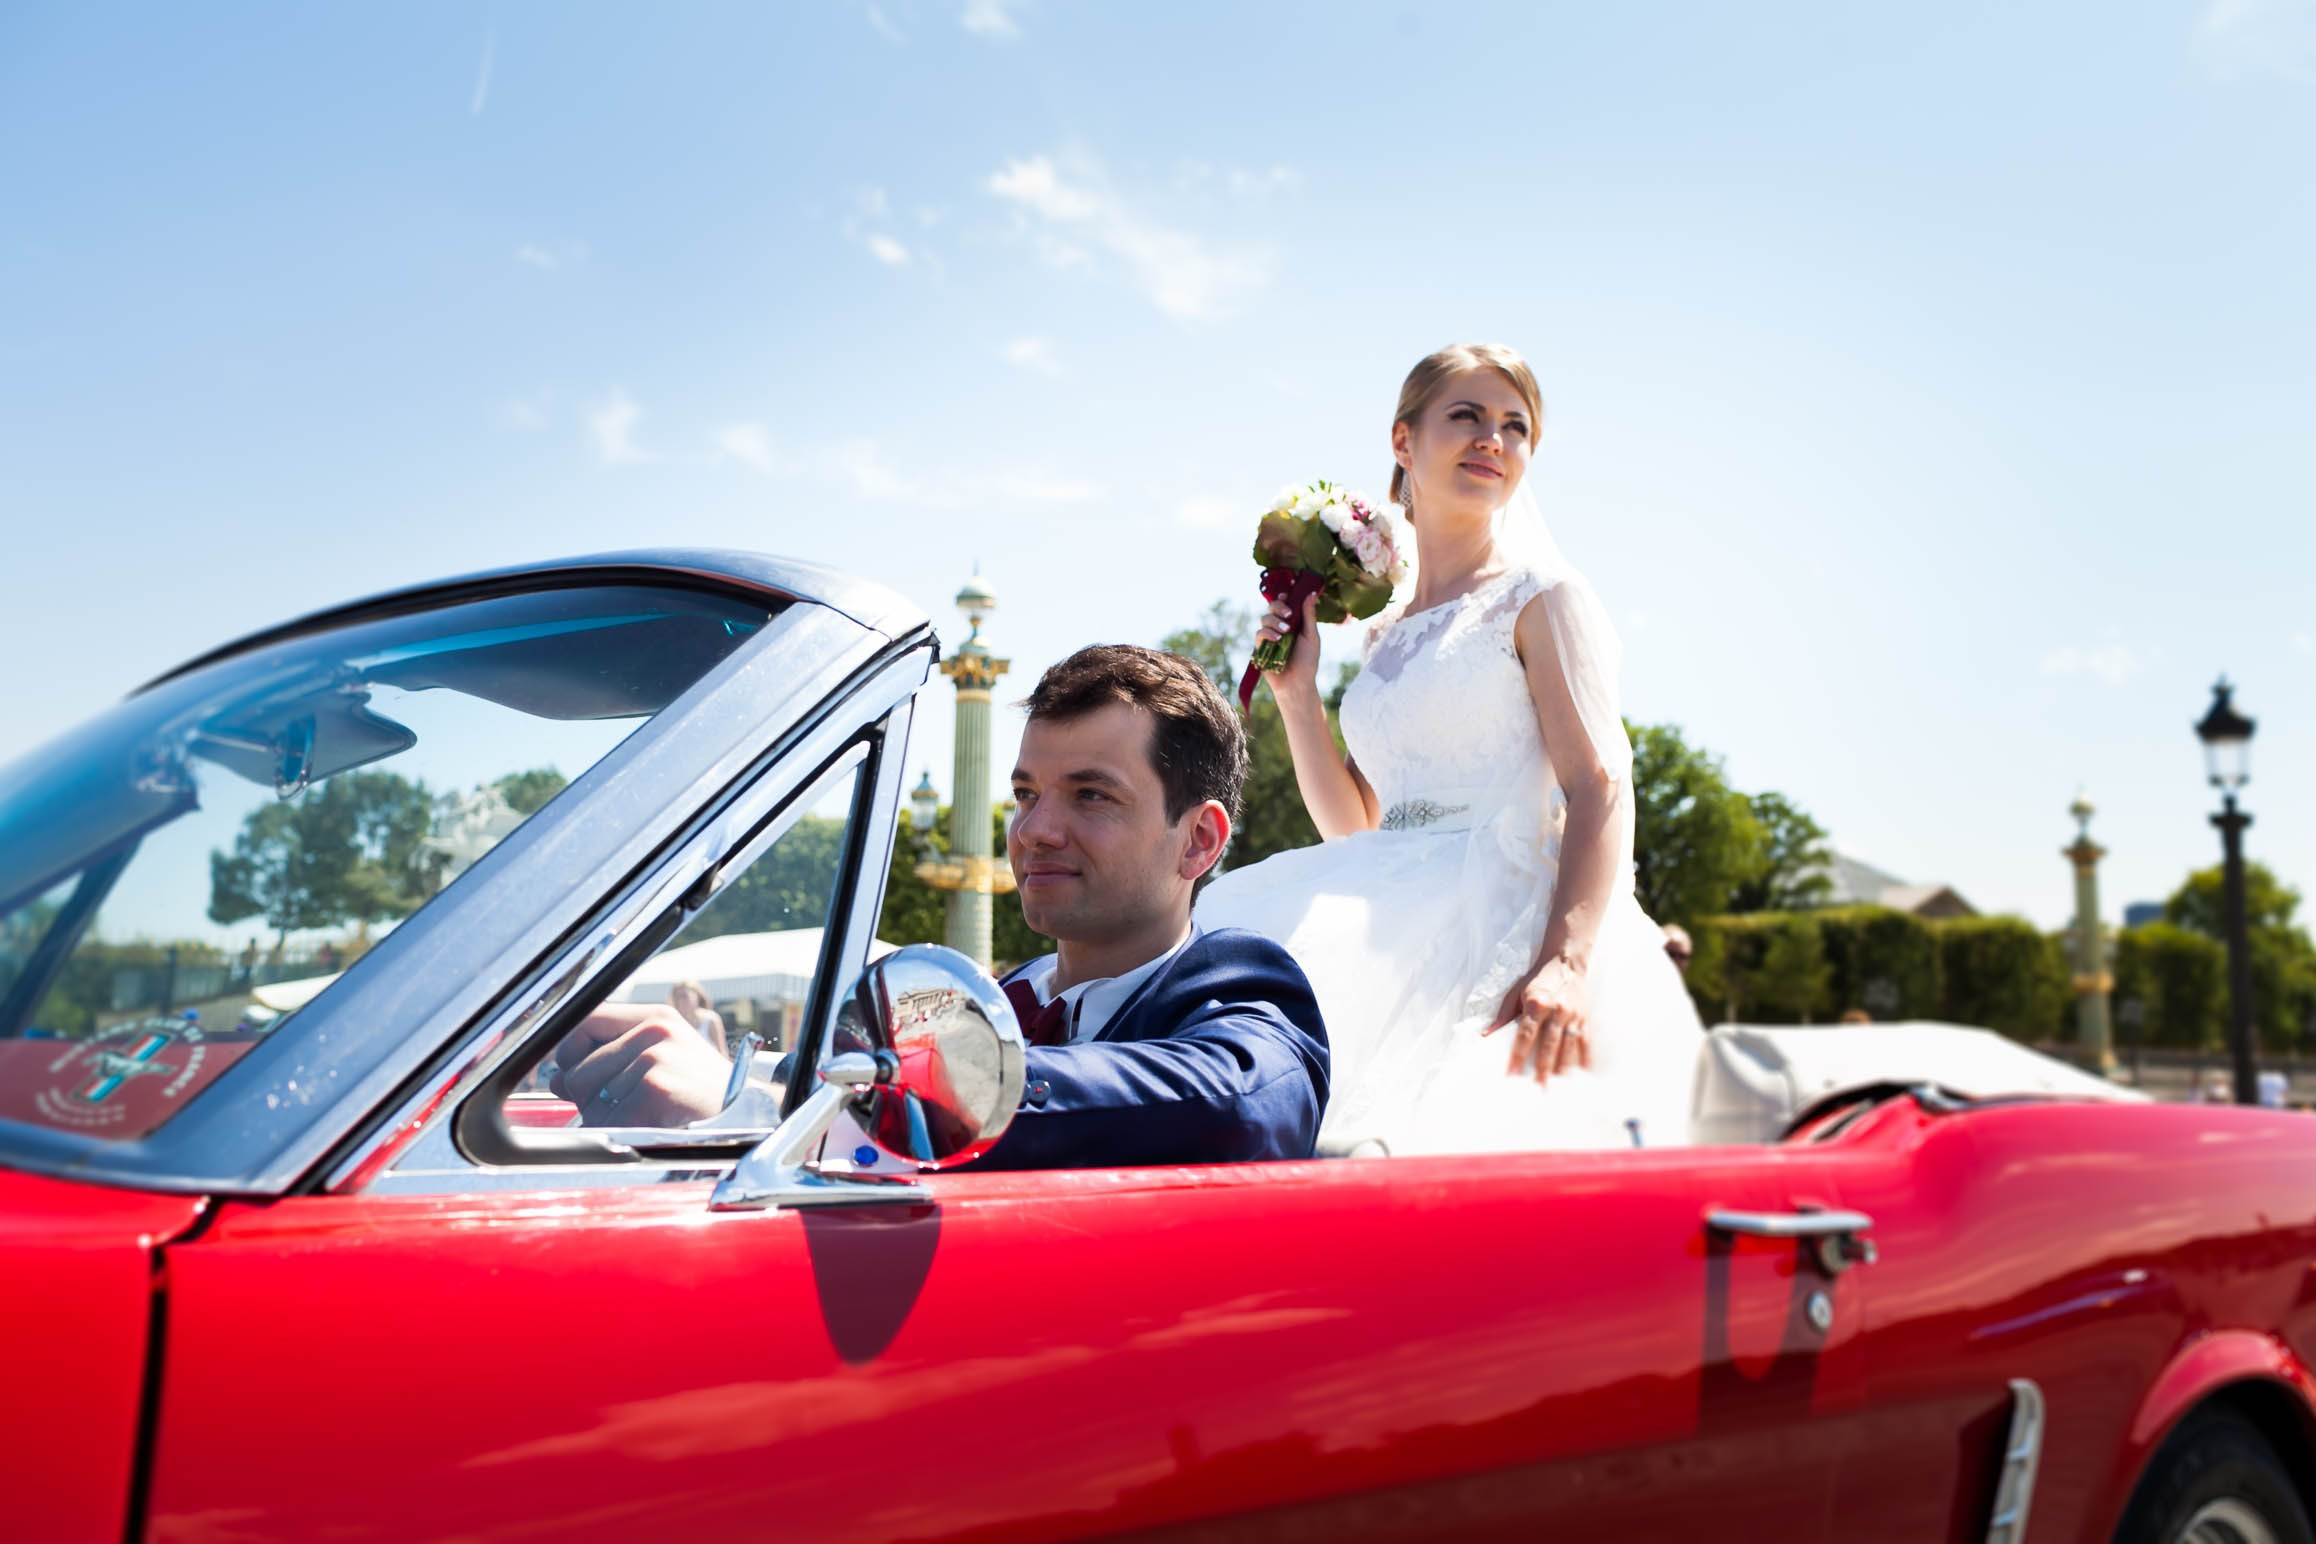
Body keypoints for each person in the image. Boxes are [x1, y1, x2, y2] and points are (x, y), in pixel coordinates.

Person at [545, 645, 1330, 1169]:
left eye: (1091, 795)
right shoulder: (991, 1002)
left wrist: (752, 1100)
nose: (1033, 830)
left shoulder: (1241, 992)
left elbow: (1236, 1107)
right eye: (1026, 792)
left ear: (1198, 842)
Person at [1197, 341, 1700, 1155]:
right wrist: (1297, 698)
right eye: (1465, 416)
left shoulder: (1543, 600)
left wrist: (1564, 962)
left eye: (1514, 426)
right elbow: (1358, 828)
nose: (1491, 440)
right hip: (1389, 909)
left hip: (1501, 914)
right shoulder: (1386, 636)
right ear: (1404, 441)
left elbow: (1600, 786)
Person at [666, 979, 730, 1057]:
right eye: (677, 997)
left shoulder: (710, 1019)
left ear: (697, 996)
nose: (681, 1000)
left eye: (684, 996)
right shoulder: (672, 1022)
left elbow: (722, 1051)